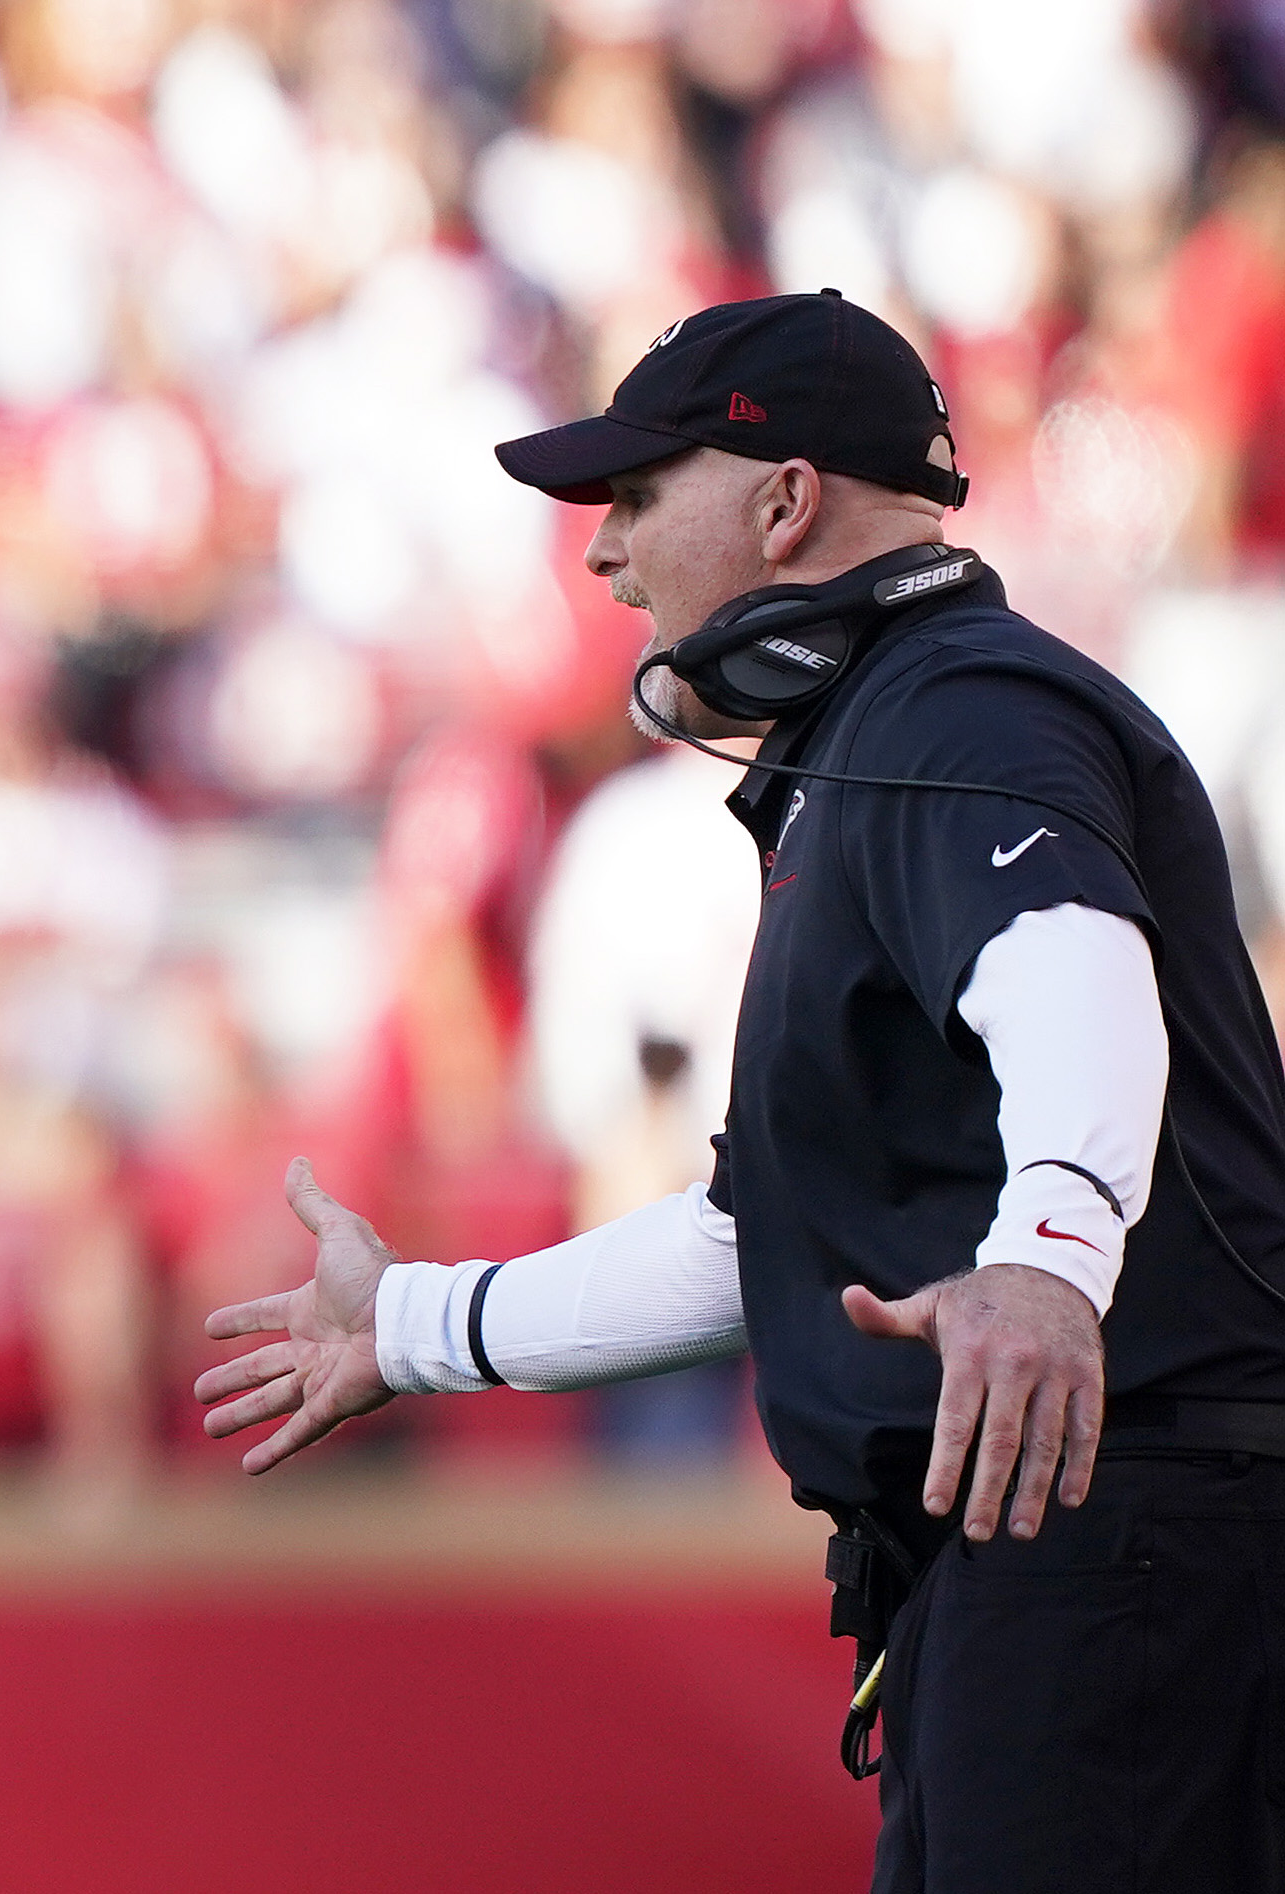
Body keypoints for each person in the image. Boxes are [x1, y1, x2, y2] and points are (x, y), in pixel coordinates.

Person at [195, 289, 1285, 1889]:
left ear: (785, 502)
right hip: (1060, 1540)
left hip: (1111, 1535)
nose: (605, 557)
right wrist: (412, 1327)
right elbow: (764, 1232)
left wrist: (1050, 1259)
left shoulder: (953, 710)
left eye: (638, 498)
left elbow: (1072, 968)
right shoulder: (883, 736)